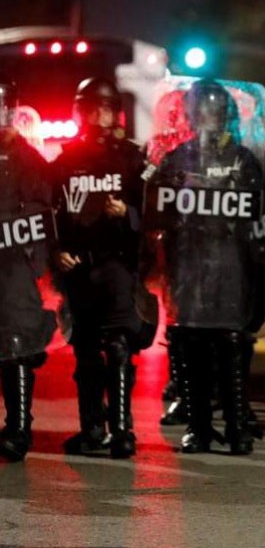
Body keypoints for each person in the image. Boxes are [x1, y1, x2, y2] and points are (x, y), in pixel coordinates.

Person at [145, 78, 265, 455]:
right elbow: (156, 213)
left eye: (215, 113)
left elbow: (261, 218)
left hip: (230, 267)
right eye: (202, 113)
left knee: (231, 346)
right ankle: (199, 427)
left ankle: (236, 426)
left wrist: (261, 271)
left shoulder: (243, 160)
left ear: (226, 116)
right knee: (193, 346)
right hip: (190, 267)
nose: (209, 120)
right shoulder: (178, 159)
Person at [51, 77, 150, 458]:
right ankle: (92, 428)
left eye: (106, 109)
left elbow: (156, 211)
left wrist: (128, 213)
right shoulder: (65, 161)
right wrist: (57, 251)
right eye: (92, 109)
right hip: (79, 268)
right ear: (81, 112)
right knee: (85, 349)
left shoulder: (131, 159)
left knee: (119, 345)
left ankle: (122, 431)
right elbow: (50, 215)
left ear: (117, 113)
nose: (99, 117)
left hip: (117, 264)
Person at [0, 76, 56, 461]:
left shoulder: (24, 157)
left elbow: (42, 208)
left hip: (13, 264)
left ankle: (19, 429)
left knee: (16, 342)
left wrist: (36, 262)